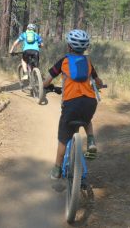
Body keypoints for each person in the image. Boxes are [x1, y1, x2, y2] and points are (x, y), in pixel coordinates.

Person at [42, 29, 104, 180]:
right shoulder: (88, 62)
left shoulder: (63, 61)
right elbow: (98, 81)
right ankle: (90, 141)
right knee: (87, 120)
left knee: (63, 138)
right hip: (90, 102)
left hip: (71, 104)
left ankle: (57, 169)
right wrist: (100, 85)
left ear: (69, 46)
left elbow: (47, 80)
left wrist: (46, 87)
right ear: (85, 47)